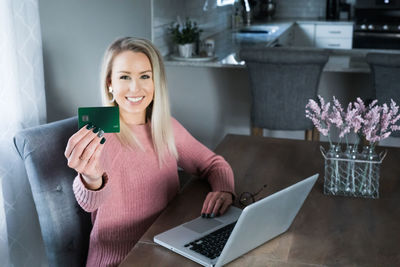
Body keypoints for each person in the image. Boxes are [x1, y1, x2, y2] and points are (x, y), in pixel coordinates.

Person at [64, 37, 235, 267]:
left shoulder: (167, 128)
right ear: (109, 83)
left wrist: (224, 189)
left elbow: (213, 163)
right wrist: (90, 177)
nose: (136, 88)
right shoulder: (99, 131)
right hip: (117, 261)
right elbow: (89, 201)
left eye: (145, 76)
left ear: (156, 82)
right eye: (125, 77)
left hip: (166, 252)